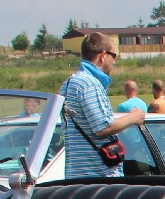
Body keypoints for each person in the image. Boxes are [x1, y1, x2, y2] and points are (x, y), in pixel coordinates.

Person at [60, 31, 146, 179]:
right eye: (114, 56)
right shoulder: (89, 84)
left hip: (77, 173)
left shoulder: (69, 83)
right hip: (97, 175)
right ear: (103, 55)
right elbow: (102, 127)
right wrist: (133, 117)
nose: (114, 61)